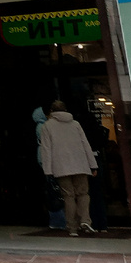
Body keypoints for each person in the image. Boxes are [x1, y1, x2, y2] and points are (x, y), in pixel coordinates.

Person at [39, 100, 98, 236]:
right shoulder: (75, 124)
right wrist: (93, 165)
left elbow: (46, 149)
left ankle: (72, 227)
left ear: (52, 111)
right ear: (66, 110)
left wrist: (47, 170)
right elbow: (85, 144)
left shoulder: (47, 126)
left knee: (68, 196)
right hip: (81, 164)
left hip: (61, 167)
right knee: (83, 194)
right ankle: (85, 221)